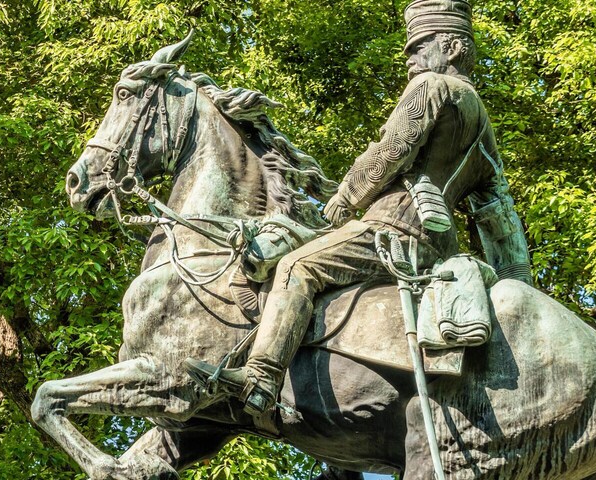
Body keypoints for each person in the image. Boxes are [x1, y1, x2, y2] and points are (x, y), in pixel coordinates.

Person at [189, 0, 533, 420]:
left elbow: (391, 150)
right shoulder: (483, 131)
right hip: (437, 254)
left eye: (420, 46)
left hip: (390, 231)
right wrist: (518, 284)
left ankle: (261, 378)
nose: (410, 57)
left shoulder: (431, 86)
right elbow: (500, 218)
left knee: (298, 267)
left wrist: (343, 200)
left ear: (453, 48)